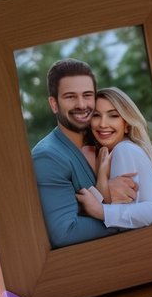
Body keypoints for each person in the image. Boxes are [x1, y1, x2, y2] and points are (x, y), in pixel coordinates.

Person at [30, 59, 138, 249]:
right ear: (54, 104)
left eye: (87, 95)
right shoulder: (47, 157)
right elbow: (65, 232)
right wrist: (107, 198)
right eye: (70, 97)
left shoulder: (106, 137)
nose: (82, 104)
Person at [76, 88, 152, 230]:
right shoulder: (108, 154)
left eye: (113, 115)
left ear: (126, 125)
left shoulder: (123, 150)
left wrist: (101, 211)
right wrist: (102, 179)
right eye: (96, 115)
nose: (103, 124)